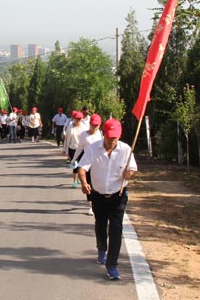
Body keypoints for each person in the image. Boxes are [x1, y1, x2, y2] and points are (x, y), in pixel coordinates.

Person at [77, 118, 137, 281]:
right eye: (110, 137)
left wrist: (129, 174)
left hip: (118, 194)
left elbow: (133, 170)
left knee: (116, 229)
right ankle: (102, 248)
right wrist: (83, 182)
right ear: (104, 134)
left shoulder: (126, 150)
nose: (112, 140)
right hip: (98, 195)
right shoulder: (93, 148)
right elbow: (82, 168)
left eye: (115, 137)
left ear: (119, 135)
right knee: (101, 224)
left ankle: (112, 265)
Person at [71, 113, 102, 216]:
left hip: (98, 163)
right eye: (93, 125)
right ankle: (91, 206)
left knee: (96, 183)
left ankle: (98, 202)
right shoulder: (84, 134)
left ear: (99, 125)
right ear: (90, 124)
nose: (95, 127)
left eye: (97, 125)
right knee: (87, 183)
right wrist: (74, 159)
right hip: (87, 163)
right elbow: (80, 147)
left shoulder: (100, 134)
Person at [65, 112, 86, 188]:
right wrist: (65, 149)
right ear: (74, 118)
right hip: (72, 148)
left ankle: (79, 177)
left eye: (80, 119)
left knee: (80, 165)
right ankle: (74, 181)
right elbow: (67, 139)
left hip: (81, 149)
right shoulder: (70, 126)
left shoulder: (84, 128)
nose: (78, 120)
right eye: (77, 119)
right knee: (75, 166)